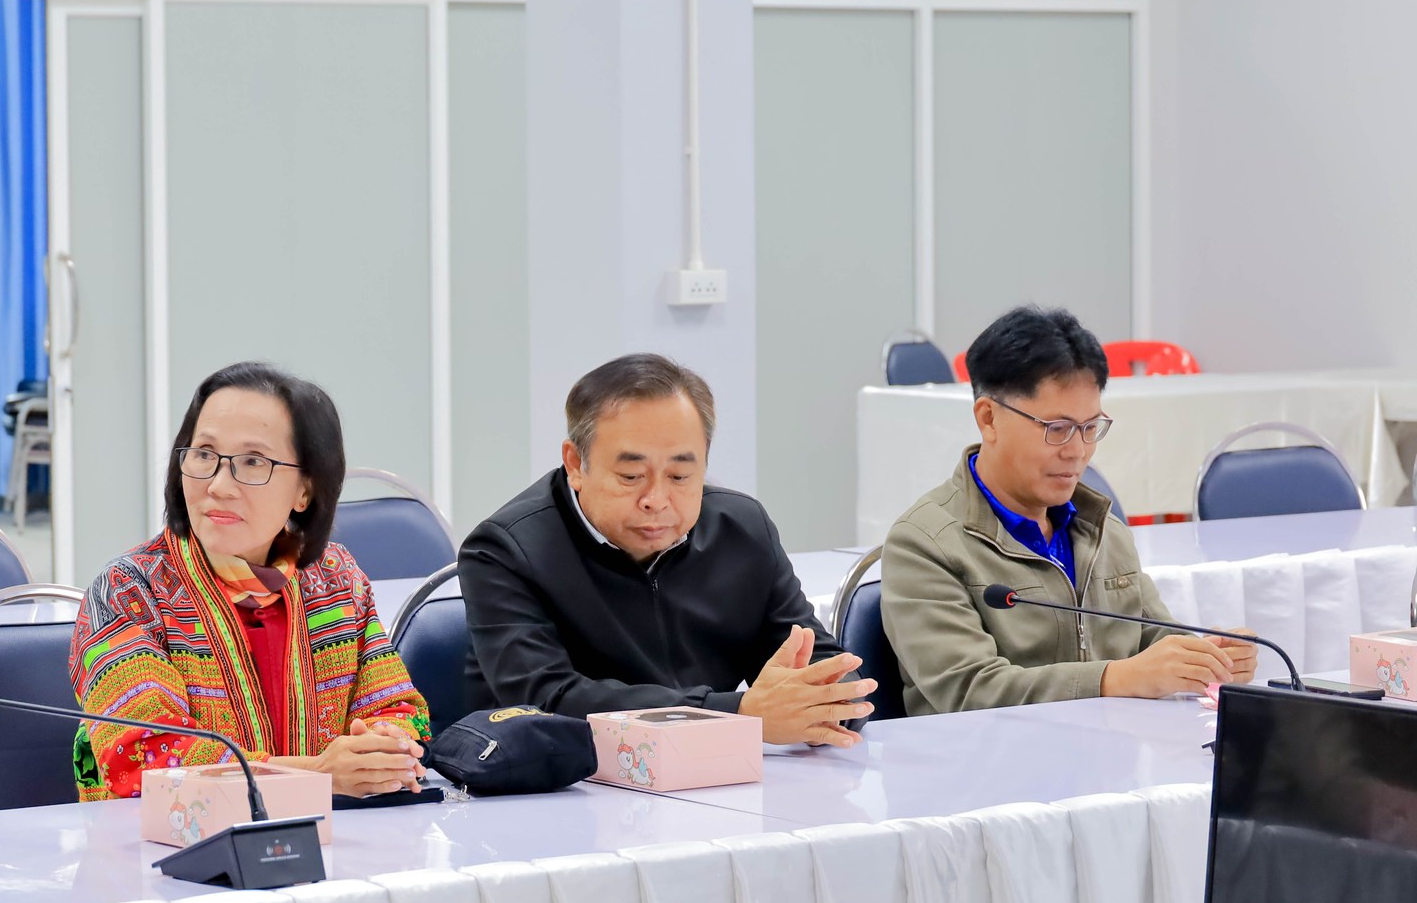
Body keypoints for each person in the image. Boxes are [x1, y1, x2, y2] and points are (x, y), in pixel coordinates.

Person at [462, 353, 874, 746]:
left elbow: (813, 659)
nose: (656, 500)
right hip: (566, 779)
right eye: (631, 476)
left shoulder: (741, 529)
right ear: (575, 464)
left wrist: (828, 703)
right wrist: (738, 713)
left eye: (679, 475)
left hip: (723, 776)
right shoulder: (506, 551)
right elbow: (546, 701)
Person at [68, 361, 432, 800]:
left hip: (336, 837)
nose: (219, 485)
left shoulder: (336, 578)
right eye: (204, 454)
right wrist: (318, 775)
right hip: (163, 842)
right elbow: (144, 760)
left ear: (305, 491)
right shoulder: (128, 591)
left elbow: (397, 707)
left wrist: (383, 746)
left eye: (253, 461)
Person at [882, 305, 1257, 714]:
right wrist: (1115, 678)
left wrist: (1204, 659)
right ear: (989, 419)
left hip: (1107, 749)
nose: (1077, 451)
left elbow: (1151, 639)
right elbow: (970, 689)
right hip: (985, 753)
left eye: (1090, 428)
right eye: (1057, 429)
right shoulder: (924, 544)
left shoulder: (1100, 527)